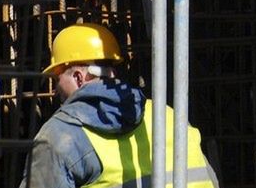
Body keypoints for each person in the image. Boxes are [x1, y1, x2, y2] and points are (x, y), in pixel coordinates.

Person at [19, 23, 219, 188]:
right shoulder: (166, 115)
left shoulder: (59, 136)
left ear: (78, 77)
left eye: (58, 78)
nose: (55, 90)